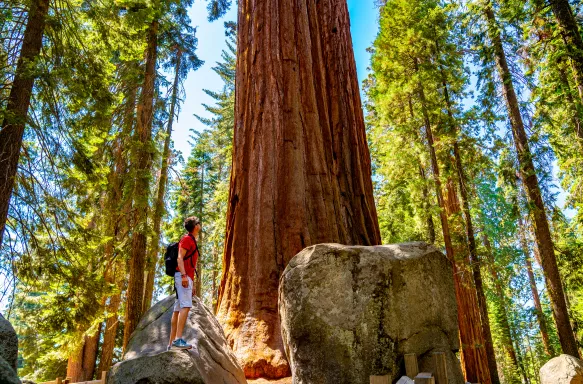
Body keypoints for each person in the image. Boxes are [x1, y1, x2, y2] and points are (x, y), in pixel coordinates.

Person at [168, 216, 201, 350]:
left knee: (177, 310)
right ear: (195, 226)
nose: (200, 224)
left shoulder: (191, 239)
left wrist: (190, 282)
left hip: (186, 278)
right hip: (183, 276)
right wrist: (183, 276)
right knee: (186, 307)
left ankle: (171, 343)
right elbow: (180, 258)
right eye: (198, 223)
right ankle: (178, 340)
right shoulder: (187, 239)